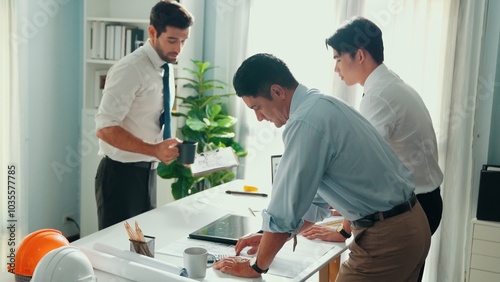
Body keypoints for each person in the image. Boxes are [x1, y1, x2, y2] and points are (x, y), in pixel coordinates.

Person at [213, 53, 431, 281]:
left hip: (387, 238)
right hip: (411, 225)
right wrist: (268, 236)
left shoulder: (305, 122)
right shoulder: (321, 104)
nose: (259, 118)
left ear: (277, 92)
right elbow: (316, 201)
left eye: (257, 107)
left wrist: (255, 266)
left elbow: (285, 210)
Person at [304, 17, 444, 281]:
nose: (335, 69)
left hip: (413, 208)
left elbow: (362, 167)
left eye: (337, 59)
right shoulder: (389, 84)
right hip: (424, 203)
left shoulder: (379, 96)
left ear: (358, 55)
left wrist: (344, 231)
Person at [94, 1, 194, 230]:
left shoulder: (165, 68)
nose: (178, 48)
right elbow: (104, 128)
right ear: (152, 32)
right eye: (172, 40)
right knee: (118, 252)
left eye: (183, 41)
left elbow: (151, 119)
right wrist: (153, 149)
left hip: (147, 174)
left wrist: (167, 147)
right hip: (120, 177)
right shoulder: (130, 69)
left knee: (143, 248)